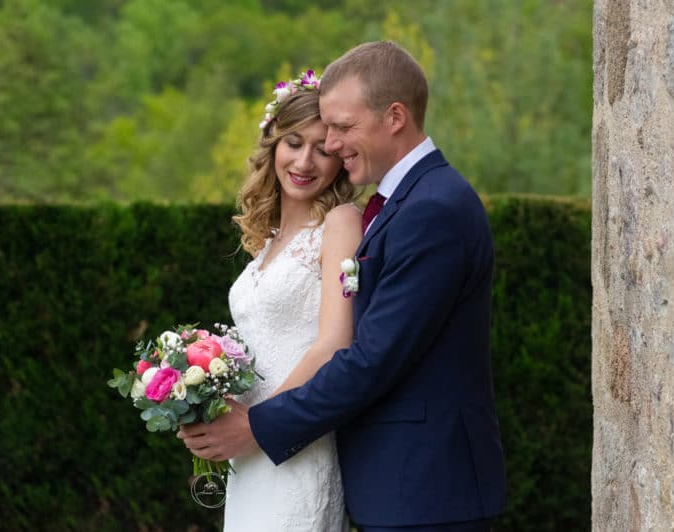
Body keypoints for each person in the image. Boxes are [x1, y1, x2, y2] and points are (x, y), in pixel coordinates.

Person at [179, 42, 507, 531]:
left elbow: (371, 357)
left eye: (341, 128)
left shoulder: (431, 209)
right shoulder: (403, 203)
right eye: (310, 135)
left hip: (426, 487)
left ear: (394, 117)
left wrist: (255, 425)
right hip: (392, 483)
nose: (329, 145)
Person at [218, 69, 363, 531]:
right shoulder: (268, 241)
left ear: (340, 159)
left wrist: (257, 425)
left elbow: (333, 343)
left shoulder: (341, 223)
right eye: (294, 143)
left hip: (293, 447)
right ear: (272, 146)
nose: (305, 161)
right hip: (247, 458)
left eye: (323, 148)